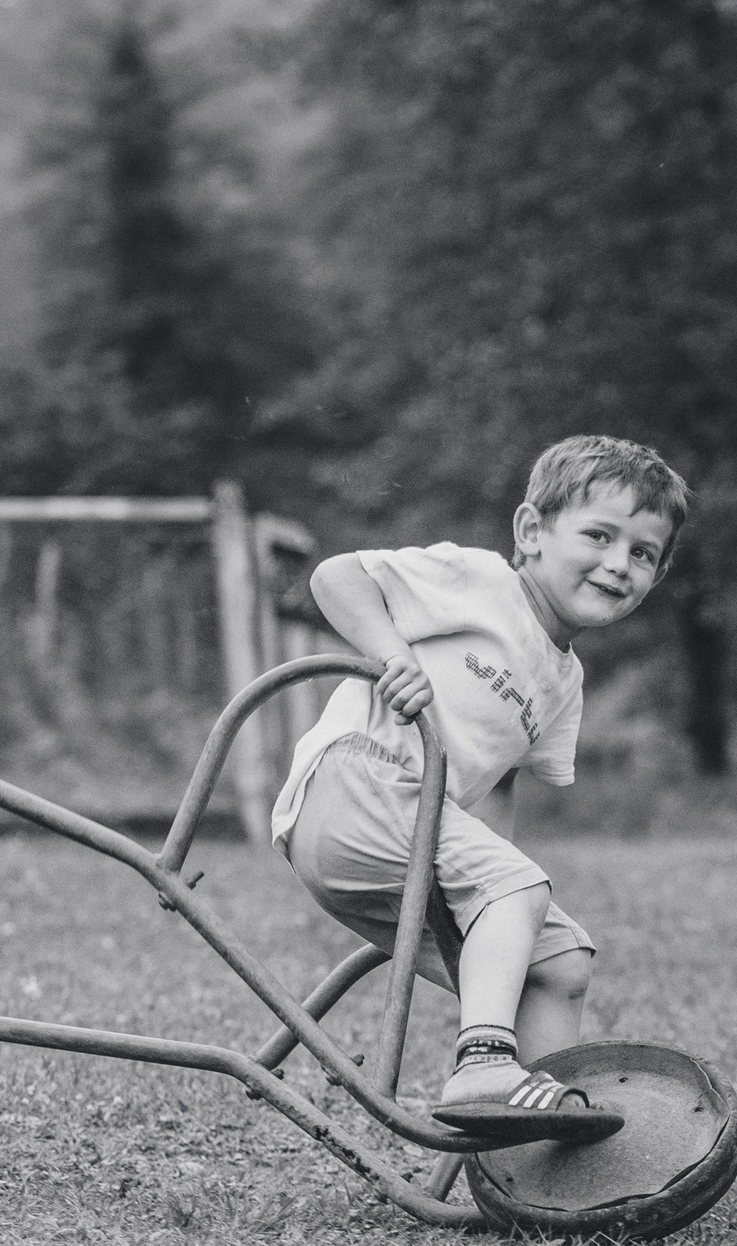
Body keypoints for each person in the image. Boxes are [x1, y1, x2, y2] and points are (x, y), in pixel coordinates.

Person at [273, 435, 691, 1141]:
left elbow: (497, 793)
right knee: (517, 886)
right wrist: (391, 654)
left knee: (558, 958)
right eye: (598, 535)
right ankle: (485, 1063)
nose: (619, 564)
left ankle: (533, 1138)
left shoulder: (564, 681)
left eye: (642, 553)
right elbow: (335, 577)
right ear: (531, 532)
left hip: (420, 833)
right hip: (354, 786)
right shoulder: (480, 581)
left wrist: (502, 903)